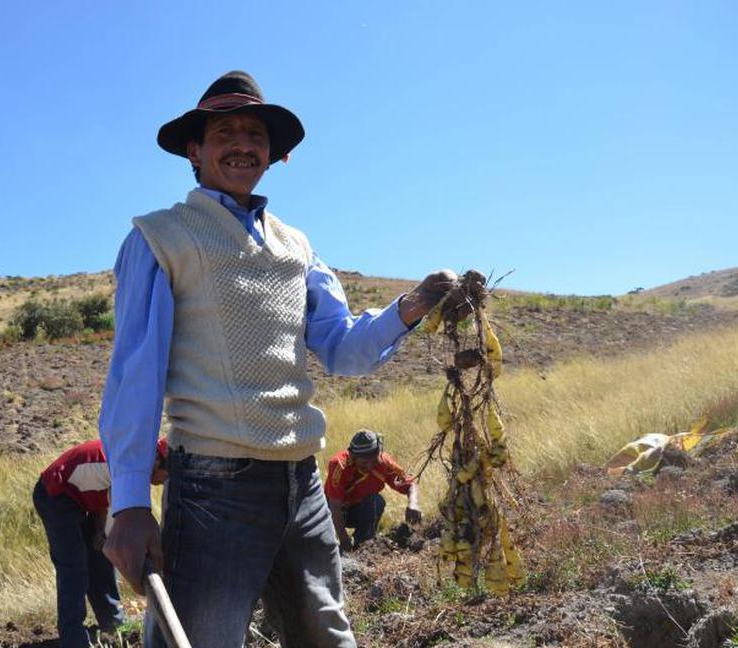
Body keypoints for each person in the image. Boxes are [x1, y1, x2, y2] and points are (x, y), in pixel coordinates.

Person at [99, 70, 461, 648]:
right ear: (194, 150)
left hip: (302, 482)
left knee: (325, 637)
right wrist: (131, 504)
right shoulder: (162, 237)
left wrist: (412, 305)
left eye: (255, 134)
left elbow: (342, 348)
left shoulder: (295, 245)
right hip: (215, 485)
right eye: (225, 132)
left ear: (274, 155)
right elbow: (133, 382)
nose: (243, 144)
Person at [33, 437, 169, 648]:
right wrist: (140, 580)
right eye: (166, 477)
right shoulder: (130, 469)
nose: (163, 482)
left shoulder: (134, 459)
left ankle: (113, 623)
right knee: (74, 567)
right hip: (55, 494)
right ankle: (73, 638)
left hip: (80, 496)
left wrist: (99, 531)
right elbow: (118, 538)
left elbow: (101, 492)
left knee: (99, 558)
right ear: (158, 462)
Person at [325, 429, 422, 552]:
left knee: (377, 501)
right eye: (364, 463)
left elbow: (410, 484)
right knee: (326, 545)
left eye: (374, 461)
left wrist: (413, 503)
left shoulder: (384, 463)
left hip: (358, 511)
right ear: (353, 457)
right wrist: (344, 541)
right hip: (333, 513)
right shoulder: (340, 465)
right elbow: (334, 506)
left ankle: (363, 545)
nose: (370, 466)